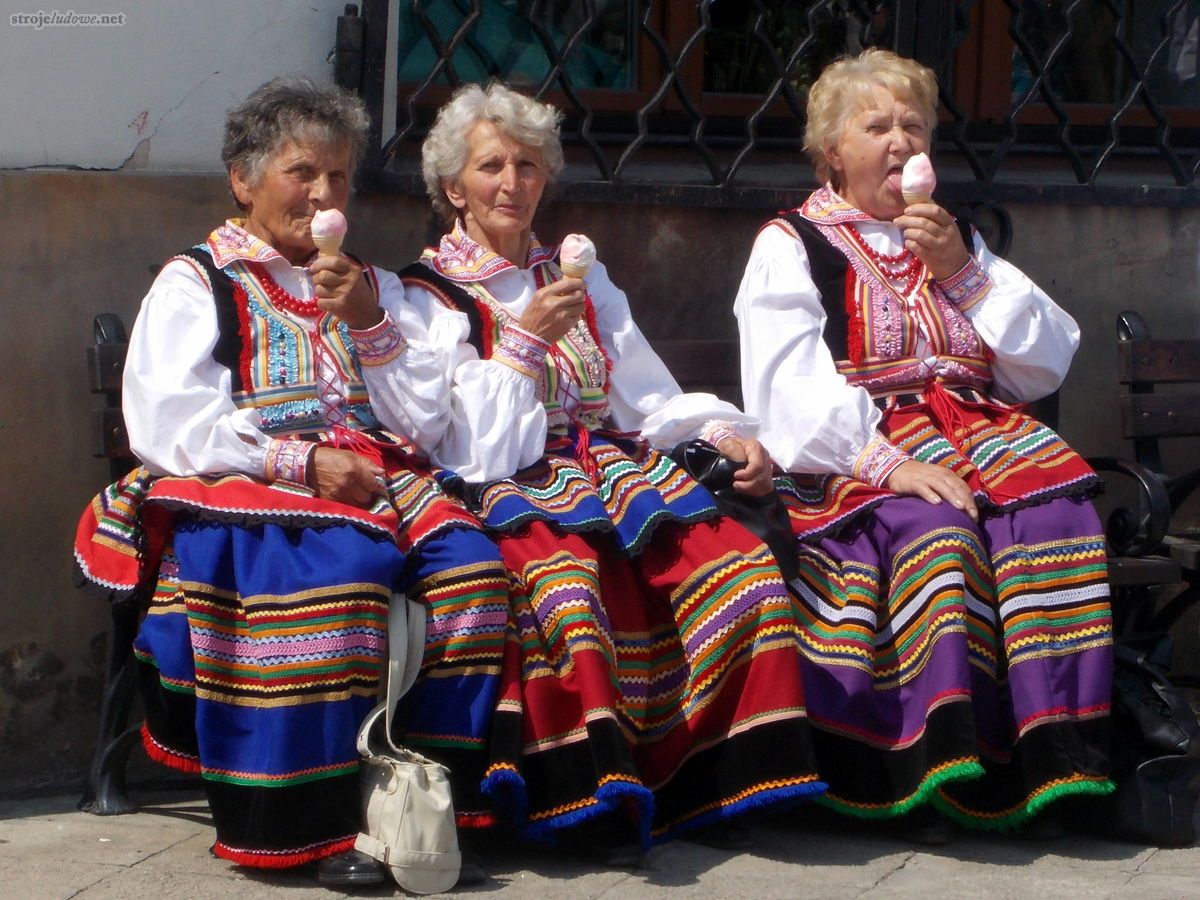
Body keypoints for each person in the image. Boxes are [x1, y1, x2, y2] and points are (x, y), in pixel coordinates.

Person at [73, 77, 509, 886]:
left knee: (474, 575)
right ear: (243, 180)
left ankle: (427, 807)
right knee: (335, 582)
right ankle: (308, 825)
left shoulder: (369, 285)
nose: (324, 194)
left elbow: (422, 421)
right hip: (241, 480)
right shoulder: (198, 280)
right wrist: (298, 461)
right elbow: (168, 420)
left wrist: (371, 323)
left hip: (375, 478)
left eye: (340, 177)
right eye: (302, 172)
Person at [393, 81, 824, 858]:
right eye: (491, 166)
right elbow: (466, 445)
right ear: (453, 188)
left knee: (741, 572)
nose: (512, 183)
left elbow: (646, 391)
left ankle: (702, 784)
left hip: (613, 474)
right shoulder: (426, 295)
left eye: (528, 165)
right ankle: (583, 801)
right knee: (565, 591)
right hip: (506, 486)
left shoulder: (579, 274)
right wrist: (523, 341)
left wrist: (724, 433)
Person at [734, 49, 1113, 838]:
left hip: (978, 434)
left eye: (913, 124)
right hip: (853, 452)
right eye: (878, 126)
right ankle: (922, 771)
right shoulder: (792, 242)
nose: (901, 141)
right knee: (938, 534)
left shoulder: (953, 237)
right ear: (834, 151)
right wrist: (890, 464)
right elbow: (783, 388)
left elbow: (1045, 356)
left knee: (1055, 520)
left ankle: (1047, 768)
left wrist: (961, 270)